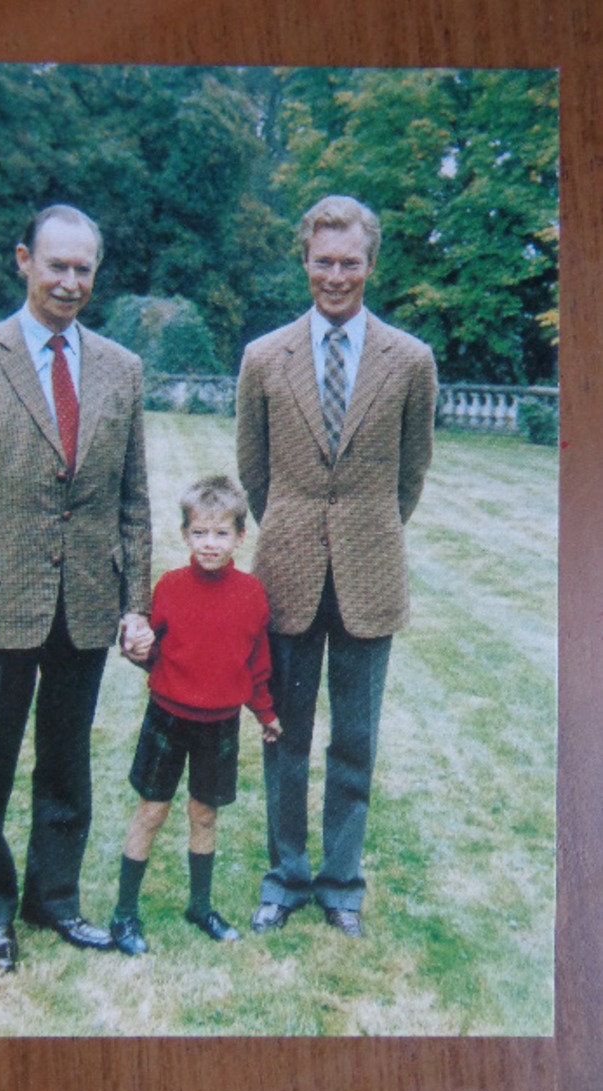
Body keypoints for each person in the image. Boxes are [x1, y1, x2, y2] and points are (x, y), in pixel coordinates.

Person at [0, 203, 153, 972]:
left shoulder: (121, 368)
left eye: (83, 268)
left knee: (66, 761)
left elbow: (132, 500)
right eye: (56, 265)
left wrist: (134, 603)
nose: (70, 281)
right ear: (24, 260)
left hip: (85, 602)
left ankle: (54, 899)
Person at [236, 194, 437, 938]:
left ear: (369, 264)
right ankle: (284, 877)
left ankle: (341, 885)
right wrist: (292, 532)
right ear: (304, 261)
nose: (335, 275)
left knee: (354, 738)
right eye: (323, 261)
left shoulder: (410, 360)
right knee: (282, 734)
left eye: (348, 262)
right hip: (285, 573)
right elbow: (252, 472)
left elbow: (409, 474)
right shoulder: (263, 357)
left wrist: (364, 534)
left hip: (369, 574)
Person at [109, 475, 282, 957]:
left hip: (220, 724)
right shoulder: (168, 588)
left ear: (241, 537)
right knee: (152, 811)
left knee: (204, 815)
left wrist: (265, 713)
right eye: (200, 533)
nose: (210, 544)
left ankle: (200, 904)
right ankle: (124, 913)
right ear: (185, 535)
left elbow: (257, 664)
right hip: (167, 717)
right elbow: (147, 649)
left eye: (221, 533)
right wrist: (137, 647)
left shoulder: (252, 595)